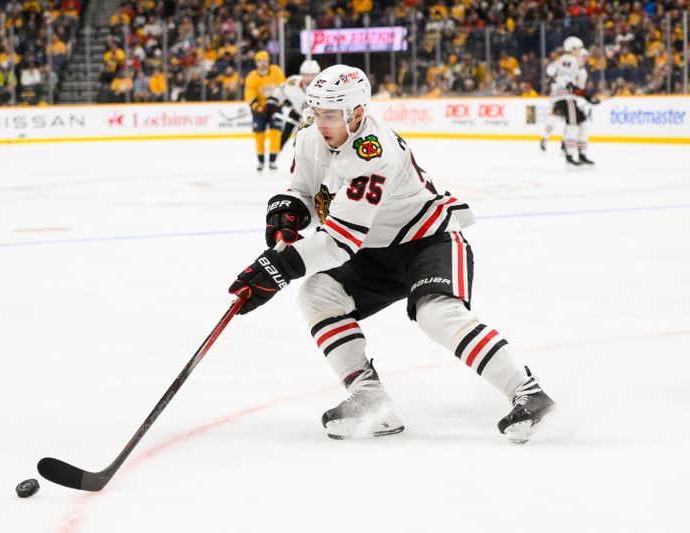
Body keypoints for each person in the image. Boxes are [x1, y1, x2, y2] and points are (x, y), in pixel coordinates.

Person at [227, 65, 556, 444]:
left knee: (436, 314)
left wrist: (277, 269)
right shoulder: (308, 136)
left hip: (426, 241)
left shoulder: (374, 152)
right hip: (371, 250)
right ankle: (369, 398)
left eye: (331, 115)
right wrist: (288, 209)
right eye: (316, 112)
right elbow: (303, 188)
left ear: (357, 113)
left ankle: (530, 394)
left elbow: (338, 240)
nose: (320, 122)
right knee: (317, 294)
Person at [544, 37, 594, 167]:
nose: (579, 52)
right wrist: (577, 91)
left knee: (582, 122)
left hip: (566, 96)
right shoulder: (569, 59)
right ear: (571, 48)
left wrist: (587, 97)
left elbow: (551, 70)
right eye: (577, 49)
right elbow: (565, 80)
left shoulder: (571, 63)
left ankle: (580, 154)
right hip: (564, 97)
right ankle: (570, 155)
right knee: (573, 124)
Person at [262, 59, 321, 151]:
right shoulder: (292, 82)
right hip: (296, 112)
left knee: (299, 144)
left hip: (313, 118)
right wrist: (272, 103)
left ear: (318, 75)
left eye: (313, 75)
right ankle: (274, 155)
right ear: (301, 74)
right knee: (284, 136)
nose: (309, 78)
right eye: (306, 75)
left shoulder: (324, 87)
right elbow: (281, 91)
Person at [244, 51, 285, 171]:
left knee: (275, 134)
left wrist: (277, 103)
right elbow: (249, 97)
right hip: (260, 111)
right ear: (256, 63)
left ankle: (272, 160)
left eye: (265, 61)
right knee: (259, 136)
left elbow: (283, 88)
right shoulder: (251, 77)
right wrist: (260, 109)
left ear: (268, 61)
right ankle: (261, 161)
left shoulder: (276, 71)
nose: (263, 64)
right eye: (260, 61)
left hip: (275, 107)